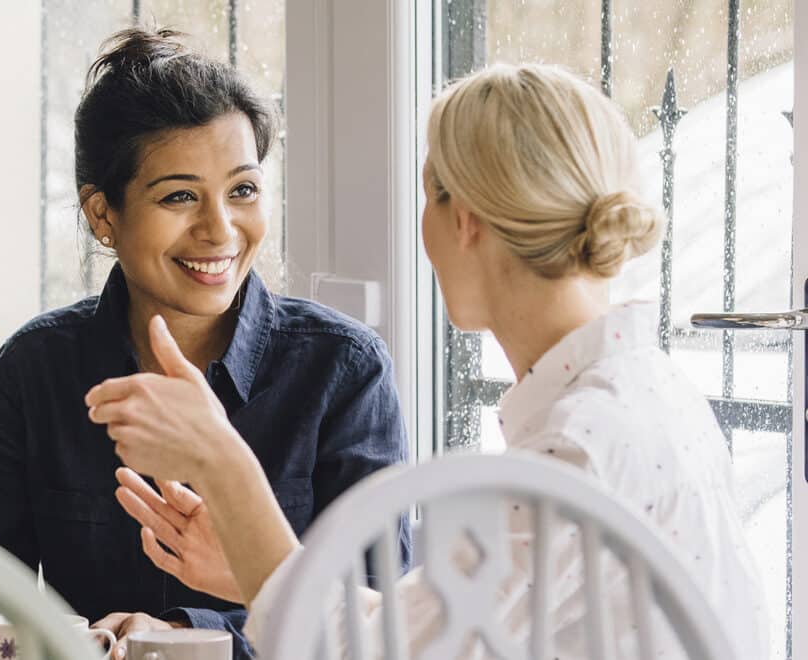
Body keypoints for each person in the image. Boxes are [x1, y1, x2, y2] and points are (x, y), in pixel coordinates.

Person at [90, 63, 769, 657]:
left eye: (427, 194)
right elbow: (434, 631)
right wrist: (250, 564)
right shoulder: (638, 399)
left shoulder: (578, 449)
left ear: (463, 218)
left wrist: (221, 458)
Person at [0, 28, 411, 660]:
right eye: (180, 196)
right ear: (102, 215)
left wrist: (194, 634)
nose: (220, 229)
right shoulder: (35, 370)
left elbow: (383, 611)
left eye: (242, 190)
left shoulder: (343, 370)